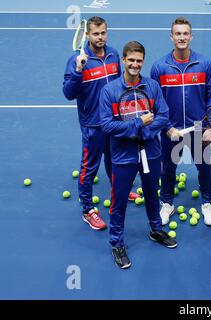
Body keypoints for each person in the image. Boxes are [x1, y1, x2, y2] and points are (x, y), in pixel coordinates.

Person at [99, 41, 176, 269]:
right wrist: (137, 124)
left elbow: (163, 115)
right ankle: (117, 243)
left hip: (150, 152)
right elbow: (107, 126)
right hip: (123, 156)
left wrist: (143, 131)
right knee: (119, 200)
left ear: (143, 61)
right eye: (131, 60)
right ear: (123, 60)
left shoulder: (152, 86)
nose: (135, 64)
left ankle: (156, 230)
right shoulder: (109, 91)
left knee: (153, 193)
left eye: (139, 60)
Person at [63, 16, 140, 231]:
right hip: (93, 124)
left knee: (115, 159)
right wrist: (78, 71)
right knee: (89, 167)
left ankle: (120, 189)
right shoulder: (77, 60)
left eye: (103, 32)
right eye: (96, 33)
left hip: (113, 121)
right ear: (87, 35)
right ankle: (88, 210)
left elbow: (120, 85)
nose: (100, 37)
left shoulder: (115, 55)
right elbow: (68, 93)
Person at [151, 17, 211, 226]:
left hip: (199, 128)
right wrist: (167, 127)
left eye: (185, 33)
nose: (182, 37)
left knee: (204, 168)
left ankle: (207, 203)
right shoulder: (159, 67)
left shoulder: (205, 64)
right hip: (171, 130)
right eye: (178, 33)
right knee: (167, 169)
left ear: (191, 36)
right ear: (171, 36)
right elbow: (156, 103)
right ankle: (167, 203)